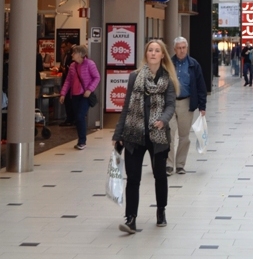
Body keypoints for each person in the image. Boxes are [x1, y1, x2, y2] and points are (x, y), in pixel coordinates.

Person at [112, 40, 179, 233]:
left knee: (160, 176)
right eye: (150, 50)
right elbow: (126, 106)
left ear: (162, 55)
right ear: (146, 54)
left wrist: (163, 120)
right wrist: (118, 133)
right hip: (134, 133)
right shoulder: (135, 77)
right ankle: (131, 218)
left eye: (157, 51)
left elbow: (170, 105)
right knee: (133, 178)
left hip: (158, 135)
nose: (153, 53)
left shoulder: (168, 79)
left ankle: (161, 211)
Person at [168, 36, 207, 175]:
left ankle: (180, 164)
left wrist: (202, 106)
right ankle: (168, 164)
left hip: (186, 102)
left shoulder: (193, 64)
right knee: (169, 134)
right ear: (174, 49)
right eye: (179, 48)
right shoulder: (168, 64)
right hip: (170, 103)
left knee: (184, 136)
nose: (181, 50)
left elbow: (201, 85)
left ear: (187, 48)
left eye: (184, 48)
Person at [59, 45, 100, 150]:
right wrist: (63, 94)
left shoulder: (90, 64)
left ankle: (82, 141)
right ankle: (80, 140)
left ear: (80, 54)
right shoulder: (72, 66)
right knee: (78, 118)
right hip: (75, 95)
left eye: (74, 53)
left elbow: (97, 77)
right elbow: (68, 81)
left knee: (80, 116)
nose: (72, 54)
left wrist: (89, 89)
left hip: (84, 96)